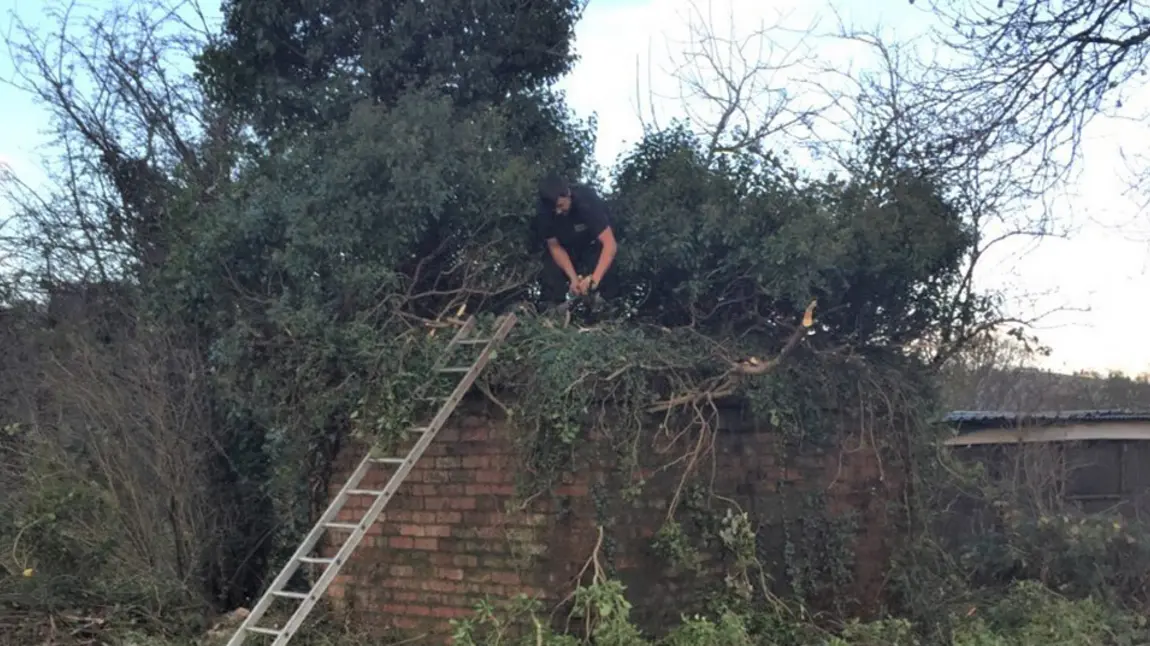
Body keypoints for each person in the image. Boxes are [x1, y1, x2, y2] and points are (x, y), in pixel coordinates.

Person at [535, 173, 618, 304]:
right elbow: (554, 246)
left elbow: (609, 244)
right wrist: (573, 279)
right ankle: (553, 309)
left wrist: (594, 280)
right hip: (567, 249)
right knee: (549, 266)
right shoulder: (543, 211)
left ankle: (605, 305)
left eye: (560, 206)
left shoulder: (587, 201)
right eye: (554, 209)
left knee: (606, 263)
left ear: (567, 194)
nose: (558, 212)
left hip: (593, 246)